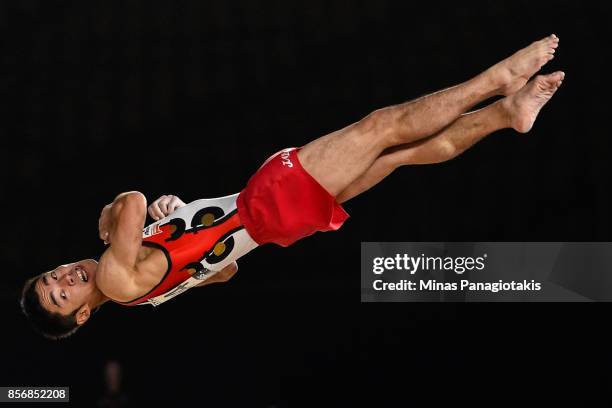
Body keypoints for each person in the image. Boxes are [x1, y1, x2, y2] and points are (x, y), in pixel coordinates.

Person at [21, 35, 564, 339]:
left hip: (272, 229)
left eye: (52, 276)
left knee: (401, 156)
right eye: (62, 294)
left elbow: (226, 269)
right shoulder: (116, 279)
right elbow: (134, 202)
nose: (65, 277)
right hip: (263, 205)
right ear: (82, 314)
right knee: (383, 126)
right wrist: (112, 213)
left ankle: (504, 114)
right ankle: (498, 78)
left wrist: (178, 216)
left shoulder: (141, 294)